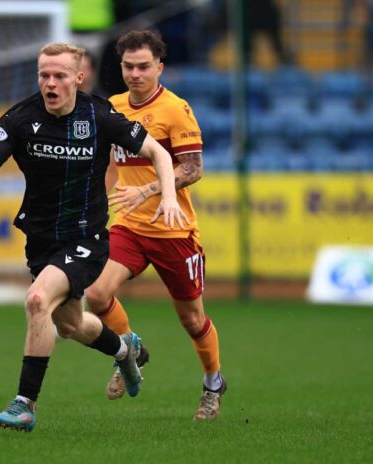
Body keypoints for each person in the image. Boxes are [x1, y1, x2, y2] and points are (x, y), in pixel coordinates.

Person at [0, 43, 187, 432]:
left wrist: (167, 196)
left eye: (59, 76)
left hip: (86, 237)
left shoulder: (100, 115)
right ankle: (125, 348)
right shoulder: (20, 118)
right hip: (40, 239)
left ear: (78, 78)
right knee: (70, 325)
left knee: (37, 301)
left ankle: (24, 404)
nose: (50, 83)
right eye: (44, 76)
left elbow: (160, 155)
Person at [84, 30, 226, 421]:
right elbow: (111, 165)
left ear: (159, 67)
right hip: (129, 227)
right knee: (95, 295)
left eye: (143, 66)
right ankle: (130, 350)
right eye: (128, 66)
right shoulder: (112, 107)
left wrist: (148, 190)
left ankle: (213, 381)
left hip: (173, 230)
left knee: (192, 319)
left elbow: (193, 168)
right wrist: (96, 203)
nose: (134, 73)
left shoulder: (175, 110)